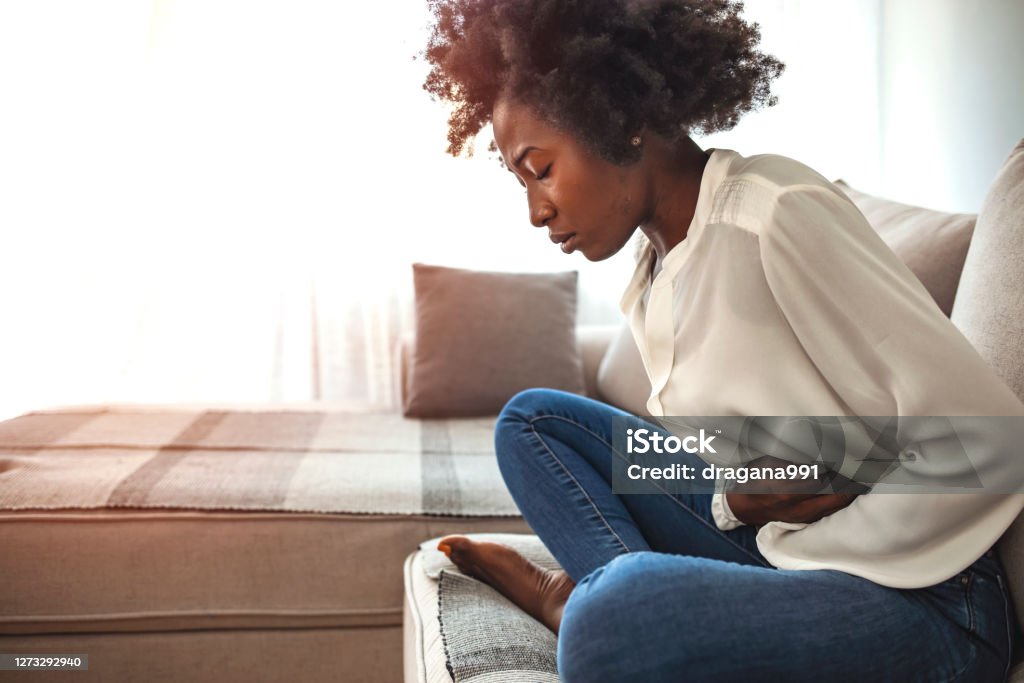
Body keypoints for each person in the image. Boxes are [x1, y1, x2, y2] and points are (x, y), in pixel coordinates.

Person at [421, 1, 1024, 680]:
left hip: (930, 599)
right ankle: (613, 595)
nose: (535, 211)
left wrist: (818, 512)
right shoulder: (654, 272)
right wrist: (733, 500)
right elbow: (737, 461)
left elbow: (990, 438)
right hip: (778, 543)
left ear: (621, 119)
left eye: (541, 169)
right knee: (531, 423)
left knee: (606, 625)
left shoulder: (775, 213)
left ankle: (584, 602)